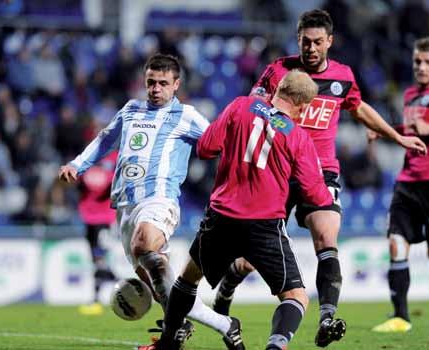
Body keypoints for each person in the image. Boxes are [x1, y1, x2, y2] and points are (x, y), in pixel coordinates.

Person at [212, 9, 427, 348]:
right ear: (298, 40)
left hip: (320, 170)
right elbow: (253, 108)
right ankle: (226, 289)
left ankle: (327, 318)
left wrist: (395, 137)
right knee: (249, 260)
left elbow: (358, 107)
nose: (310, 48)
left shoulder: (343, 76)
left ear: (330, 41)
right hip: (278, 169)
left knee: (327, 237)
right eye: (305, 42)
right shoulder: (279, 70)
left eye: (316, 42)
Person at [138, 70, 333, 350]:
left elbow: (205, 148)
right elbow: (315, 194)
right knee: (295, 297)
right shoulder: (298, 137)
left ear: (278, 89)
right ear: (303, 106)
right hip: (265, 225)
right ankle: (275, 346)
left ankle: (167, 345)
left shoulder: (241, 105)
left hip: (222, 218)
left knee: (188, 279)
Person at [59, 54, 242, 348]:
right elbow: (106, 139)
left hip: (159, 199)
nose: (156, 89)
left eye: (163, 84)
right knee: (162, 288)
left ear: (176, 85)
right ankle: (224, 324)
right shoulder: (131, 109)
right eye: (151, 83)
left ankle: (174, 333)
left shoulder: (187, 116)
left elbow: (219, 142)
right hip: (124, 207)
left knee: (144, 245)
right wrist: (77, 165)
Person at [372, 37, 429, 333]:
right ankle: (401, 318)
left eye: (428, 62)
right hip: (407, 183)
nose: (421, 66)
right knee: (396, 244)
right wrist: (386, 133)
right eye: (418, 61)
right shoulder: (409, 95)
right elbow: (409, 130)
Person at [76, 149, 118, 316]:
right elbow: (77, 181)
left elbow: (121, 180)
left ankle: (96, 298)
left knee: (100, 256)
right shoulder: (88, 157)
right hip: (87, 216)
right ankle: (117, 281)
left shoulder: (116, 157)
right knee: (95, 259)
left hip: (106, 217)